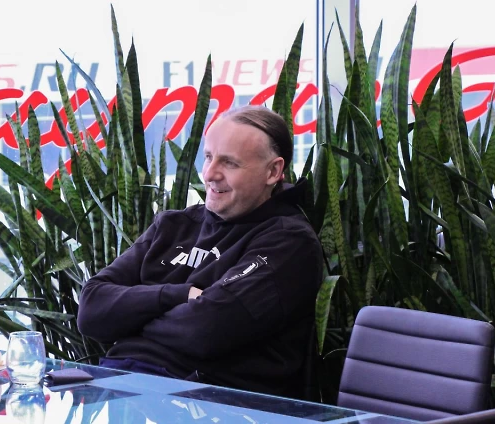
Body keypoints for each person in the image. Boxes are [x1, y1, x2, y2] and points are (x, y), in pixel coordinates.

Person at [77, 105, 323, 398]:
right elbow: (91, 309)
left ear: (273, 171)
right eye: (208, 157)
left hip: (209, 402)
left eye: (229, 163)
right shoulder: (174, 225)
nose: (210, 173)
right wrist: (179, 295)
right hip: (120, 383)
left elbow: (205, 329)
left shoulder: (288, 242)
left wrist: (128, 320)